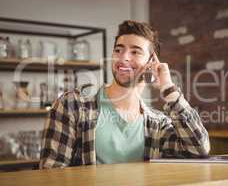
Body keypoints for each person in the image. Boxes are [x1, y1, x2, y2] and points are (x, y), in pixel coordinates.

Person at [39, 20, 210, 169]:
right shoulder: (72, 104)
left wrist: (168, 88)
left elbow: (199, 148)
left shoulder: (158, 124)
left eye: (135, 52)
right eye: (118, 50)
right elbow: (53, 175)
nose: (123, 58)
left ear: (151, 63)